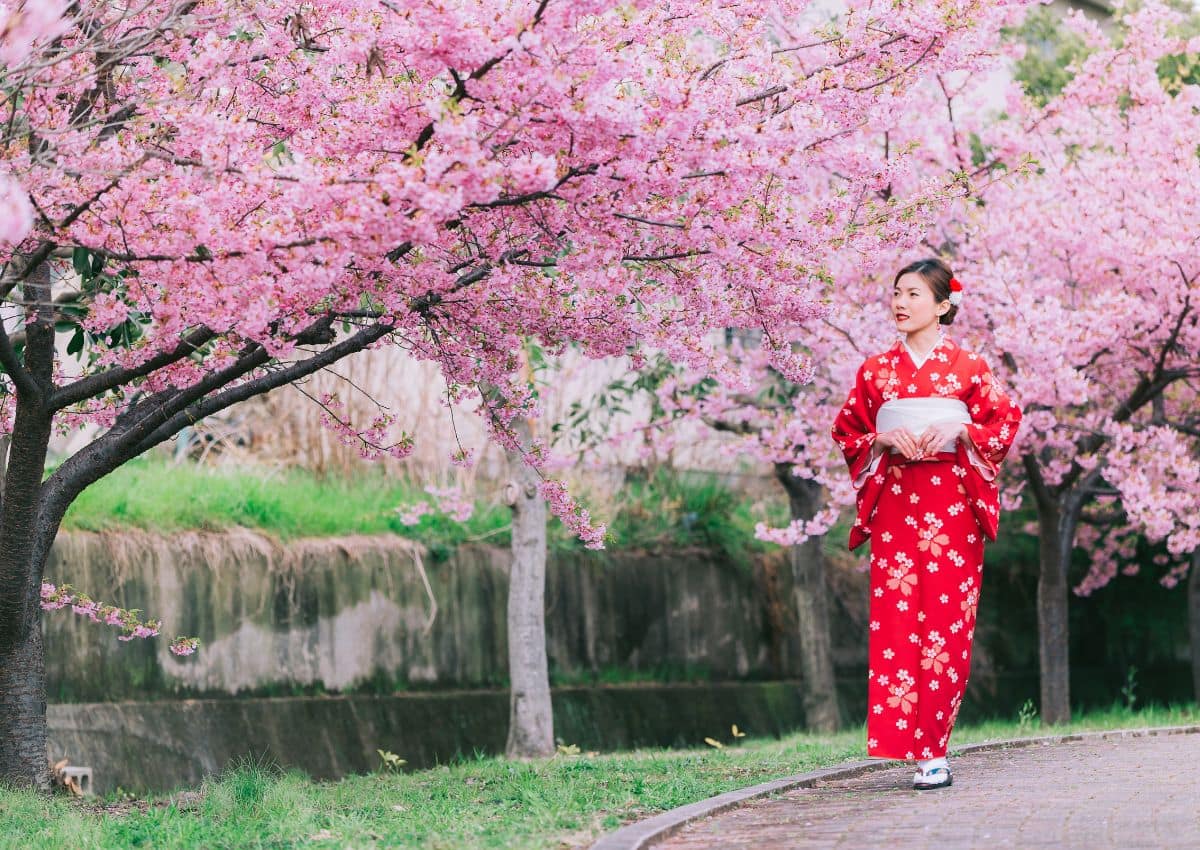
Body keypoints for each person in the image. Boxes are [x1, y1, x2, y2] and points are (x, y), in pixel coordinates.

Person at [831, 257, 1022, 790]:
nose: (900, 302)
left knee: (945, 626)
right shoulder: (874, 370)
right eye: (896, 293)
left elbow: (1002, 420)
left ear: (942, 306)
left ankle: (933, 747)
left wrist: (959, 433)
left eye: (913, 294)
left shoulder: (970, 368)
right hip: (896, 501)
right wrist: (881, 439)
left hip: (951, 504)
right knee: (896, 620)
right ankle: (902, 740)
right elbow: (848, 431)